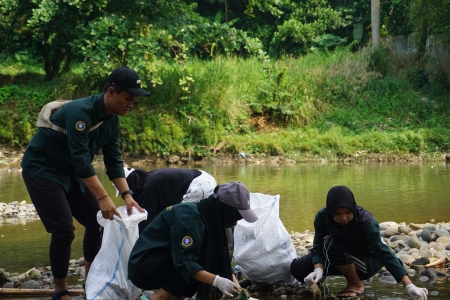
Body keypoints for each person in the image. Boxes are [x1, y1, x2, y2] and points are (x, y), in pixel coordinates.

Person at [20, 67, 149, 300]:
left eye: (134, 101)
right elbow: (81, 159)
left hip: (71, 173)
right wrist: (103, 197)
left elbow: (113, 161)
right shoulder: (81, 112)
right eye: (128, 99)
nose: (131, 105)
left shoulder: (111, 121)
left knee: (98, 222)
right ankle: (61, 291)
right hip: (43, 169)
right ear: (111, 92)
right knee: (63, 229)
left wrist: (127, 194)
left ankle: (92, 282)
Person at [290, 185, 428, 300]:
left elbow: (384, 252)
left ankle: (356, 284)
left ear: (353, 208)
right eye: (337, 214)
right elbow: (319, 247)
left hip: (368, 261)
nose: (343, 218)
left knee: (333, 244)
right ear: (330, 211)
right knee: (298, 268)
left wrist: (408, 285)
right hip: (337, 254)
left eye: (347, 212)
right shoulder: (322, 217)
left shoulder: (366, 222)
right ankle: (320, 278)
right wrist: (318, 269)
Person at [128, 181, 259, 300]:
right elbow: (186, 263)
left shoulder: (209, 217)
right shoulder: (191, 220)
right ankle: (159, 297)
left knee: (205, 259)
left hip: (166, 261)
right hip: (145, 267)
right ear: (224, 209)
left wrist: (239, 290)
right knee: (200, 261)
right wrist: (217, 281)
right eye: (235, 217)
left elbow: (221, 260)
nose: (235, 223)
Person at [114, 167, 217, 233]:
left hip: (197, 187)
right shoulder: (150, 178)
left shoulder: (148, 188)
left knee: (182, 226)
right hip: (205, 179)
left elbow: (146, 223)